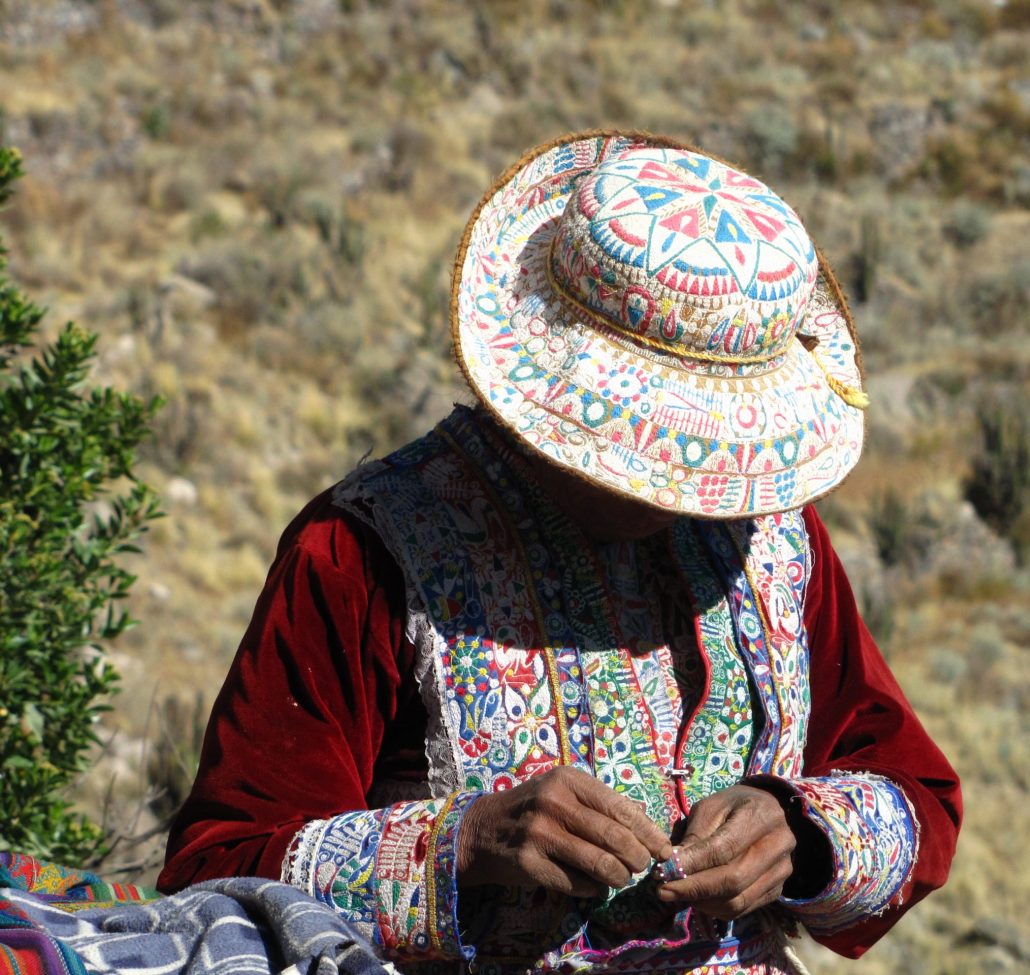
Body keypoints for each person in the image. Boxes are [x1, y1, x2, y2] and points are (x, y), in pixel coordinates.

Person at [159, 130, 962, 972]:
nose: (670, 489)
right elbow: (219, 871)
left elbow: (916, 795)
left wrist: (796, 829)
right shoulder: (364, 553)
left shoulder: (773, 537)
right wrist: (464, 844)